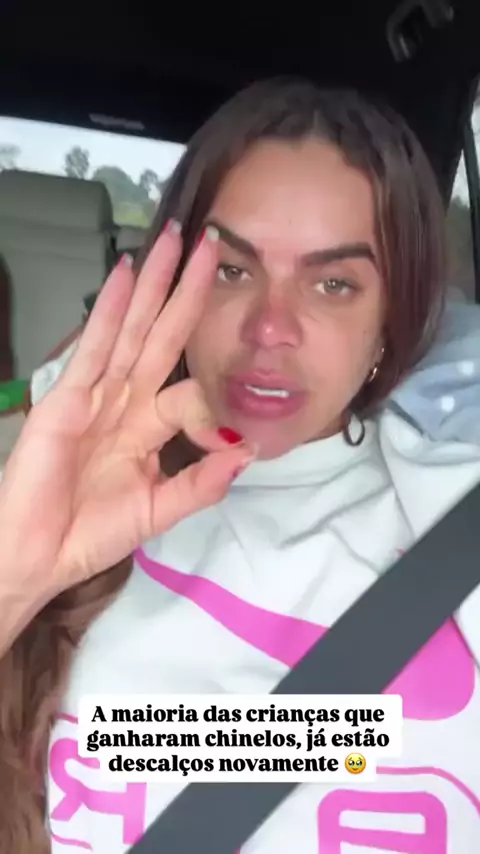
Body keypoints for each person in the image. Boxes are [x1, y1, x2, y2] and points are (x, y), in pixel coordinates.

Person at [0, 78, 479, 854]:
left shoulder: (456, 513)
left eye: (333, 283)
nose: (269, 328)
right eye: (231, 269)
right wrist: (17, 575)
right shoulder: (63, 478)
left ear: (391, 320)